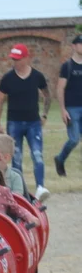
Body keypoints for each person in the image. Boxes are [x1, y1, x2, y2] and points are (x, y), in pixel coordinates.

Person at [0, 43, 51, 202]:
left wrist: (44, 114)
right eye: (13, 59)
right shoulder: (8, 78)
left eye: (18, 59)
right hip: (14, 123)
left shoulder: (37, 76)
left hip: (34, 123)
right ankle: (20, 192)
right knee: (16, 158)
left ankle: (40, 187)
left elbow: (47, 95)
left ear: (26, 58)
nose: (15, 62)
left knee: (37, 155)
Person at [53, 34, 82, 177]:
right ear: (74, 46)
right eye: (81, 44)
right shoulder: (67, 66)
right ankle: (60, 159)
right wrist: (63, 110)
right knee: (74, 139)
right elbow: (60, 88)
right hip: (72, 109)